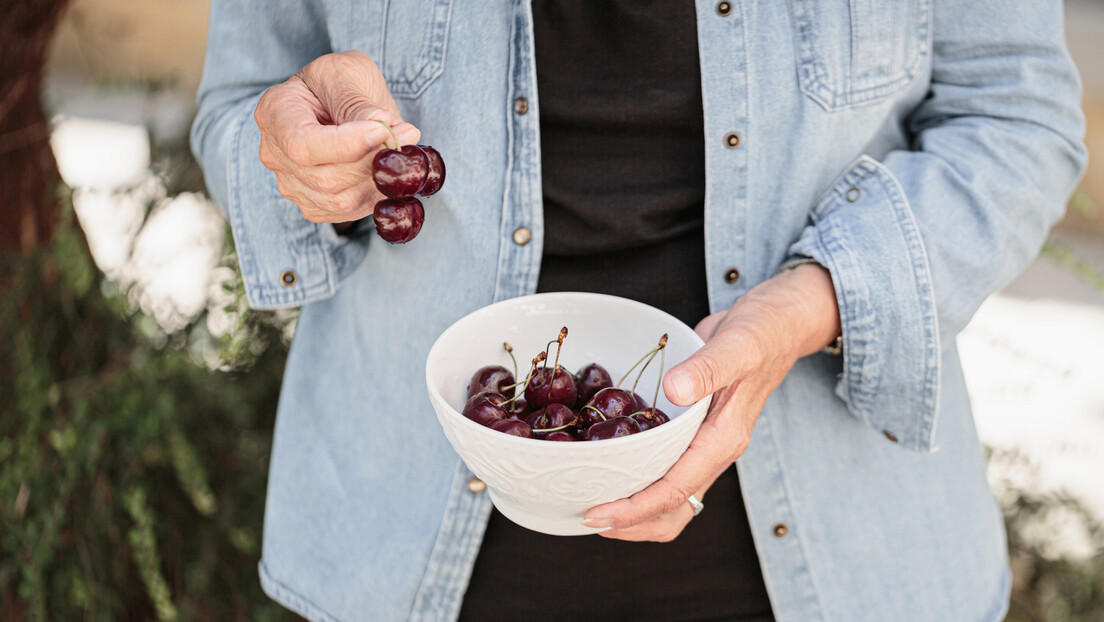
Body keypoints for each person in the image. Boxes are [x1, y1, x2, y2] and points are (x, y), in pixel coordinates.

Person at [190, 1, 1086, 620]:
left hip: (840, 553)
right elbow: (241, 107)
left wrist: (810, 305)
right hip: (398, 544)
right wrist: (298, 157)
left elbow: (1016, 120)